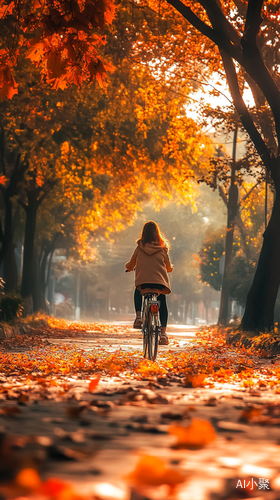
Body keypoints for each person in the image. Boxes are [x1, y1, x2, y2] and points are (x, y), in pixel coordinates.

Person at [125, 221, 173, 345]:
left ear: (143, 233)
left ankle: (138, 317)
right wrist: (170, 268)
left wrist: (128, 268)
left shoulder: (139, 247)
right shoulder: (163, 249)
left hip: (144, 283)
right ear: (157, 233)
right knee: (163, 303)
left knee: (138, 289)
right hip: (159, 285)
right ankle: (163, 334)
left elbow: (131, 264)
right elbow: (168, 267)